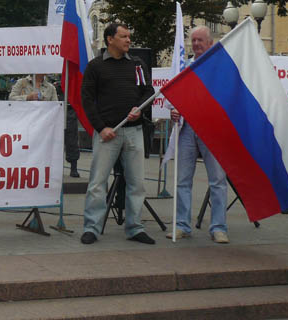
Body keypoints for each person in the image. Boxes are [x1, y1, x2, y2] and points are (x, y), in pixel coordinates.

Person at [79, 23, 155, 245]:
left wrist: (139, 108)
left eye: (129, 36)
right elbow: (87, 100)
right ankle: (92, 228)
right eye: (123, 36)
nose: (128, 40)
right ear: (110, 39)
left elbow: (148, 91)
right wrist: (100, 127)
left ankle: (135, 227)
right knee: (97, 182)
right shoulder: (95, 67)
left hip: (134, 132)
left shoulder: (137, 64)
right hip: (107, 134)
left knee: (137, 183)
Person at [167, 26, 229, 244]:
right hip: (186, 129)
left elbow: (227, 97)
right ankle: (182, 225)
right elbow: (170, 96)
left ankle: (219, 227)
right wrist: (173, 109)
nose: (196, 44)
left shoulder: (221, 67)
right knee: (183, 180)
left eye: (200, 40)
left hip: (211, 130)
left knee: (218, 180)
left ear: (210, 43)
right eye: (193, 40)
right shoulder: (183, 67)